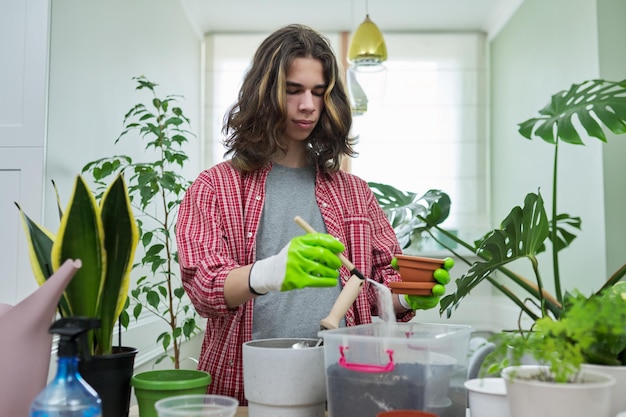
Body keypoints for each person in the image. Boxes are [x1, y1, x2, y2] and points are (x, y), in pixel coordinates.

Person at [175, 24, 452, 404]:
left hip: (343, 389)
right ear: (264, 93)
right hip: (245, 392)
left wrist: (407, 296)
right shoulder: (215, 188)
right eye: (293, 91)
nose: (308, 105)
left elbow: (376, 287)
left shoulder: (354, 194)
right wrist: (268, 273)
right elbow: (204, 287)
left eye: (318, 93)